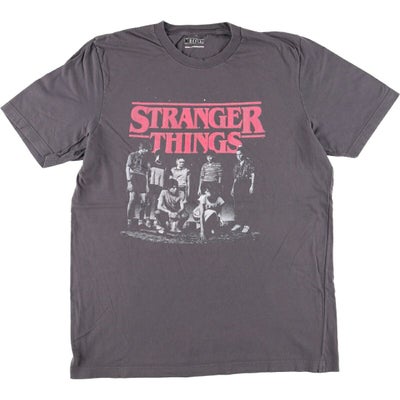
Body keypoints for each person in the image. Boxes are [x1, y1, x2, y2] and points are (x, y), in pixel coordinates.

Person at [230, 146, 255, 233]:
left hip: (246, 184)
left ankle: (247, 225)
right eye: (237, 155)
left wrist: (252, 186)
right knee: (237, 205)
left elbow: (252, 174)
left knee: (246, 205)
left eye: (240, 154)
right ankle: (239, 223)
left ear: (243, 154)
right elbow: (235, 178)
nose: (238, 156)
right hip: (238, 185)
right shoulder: (236, 164)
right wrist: (233, 188)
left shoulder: (249, 163)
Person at [126, 142, 149, 230]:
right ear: (141, 148)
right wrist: (129, 181)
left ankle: (140, 221)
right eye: (146, 149)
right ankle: (129, 221)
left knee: (144, 201)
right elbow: (127, 168)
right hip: (134, 177)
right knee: (132, 199)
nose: (147, 151)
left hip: (142, 178)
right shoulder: (132, 155)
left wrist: (147, 185)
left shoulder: (146, 158)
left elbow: (146, 172)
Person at [144, 150, 166, 228]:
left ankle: (156, 220)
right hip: (151, 186)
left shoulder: (164, 166)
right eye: (158, 155)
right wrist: (146, 186)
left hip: (159, 187)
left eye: (161, 155)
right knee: (148, 203)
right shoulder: (151, 164)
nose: (159, 157)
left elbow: (164, 178)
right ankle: (147, 220)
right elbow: (147, 176)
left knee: (157, 204)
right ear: (155, 156)